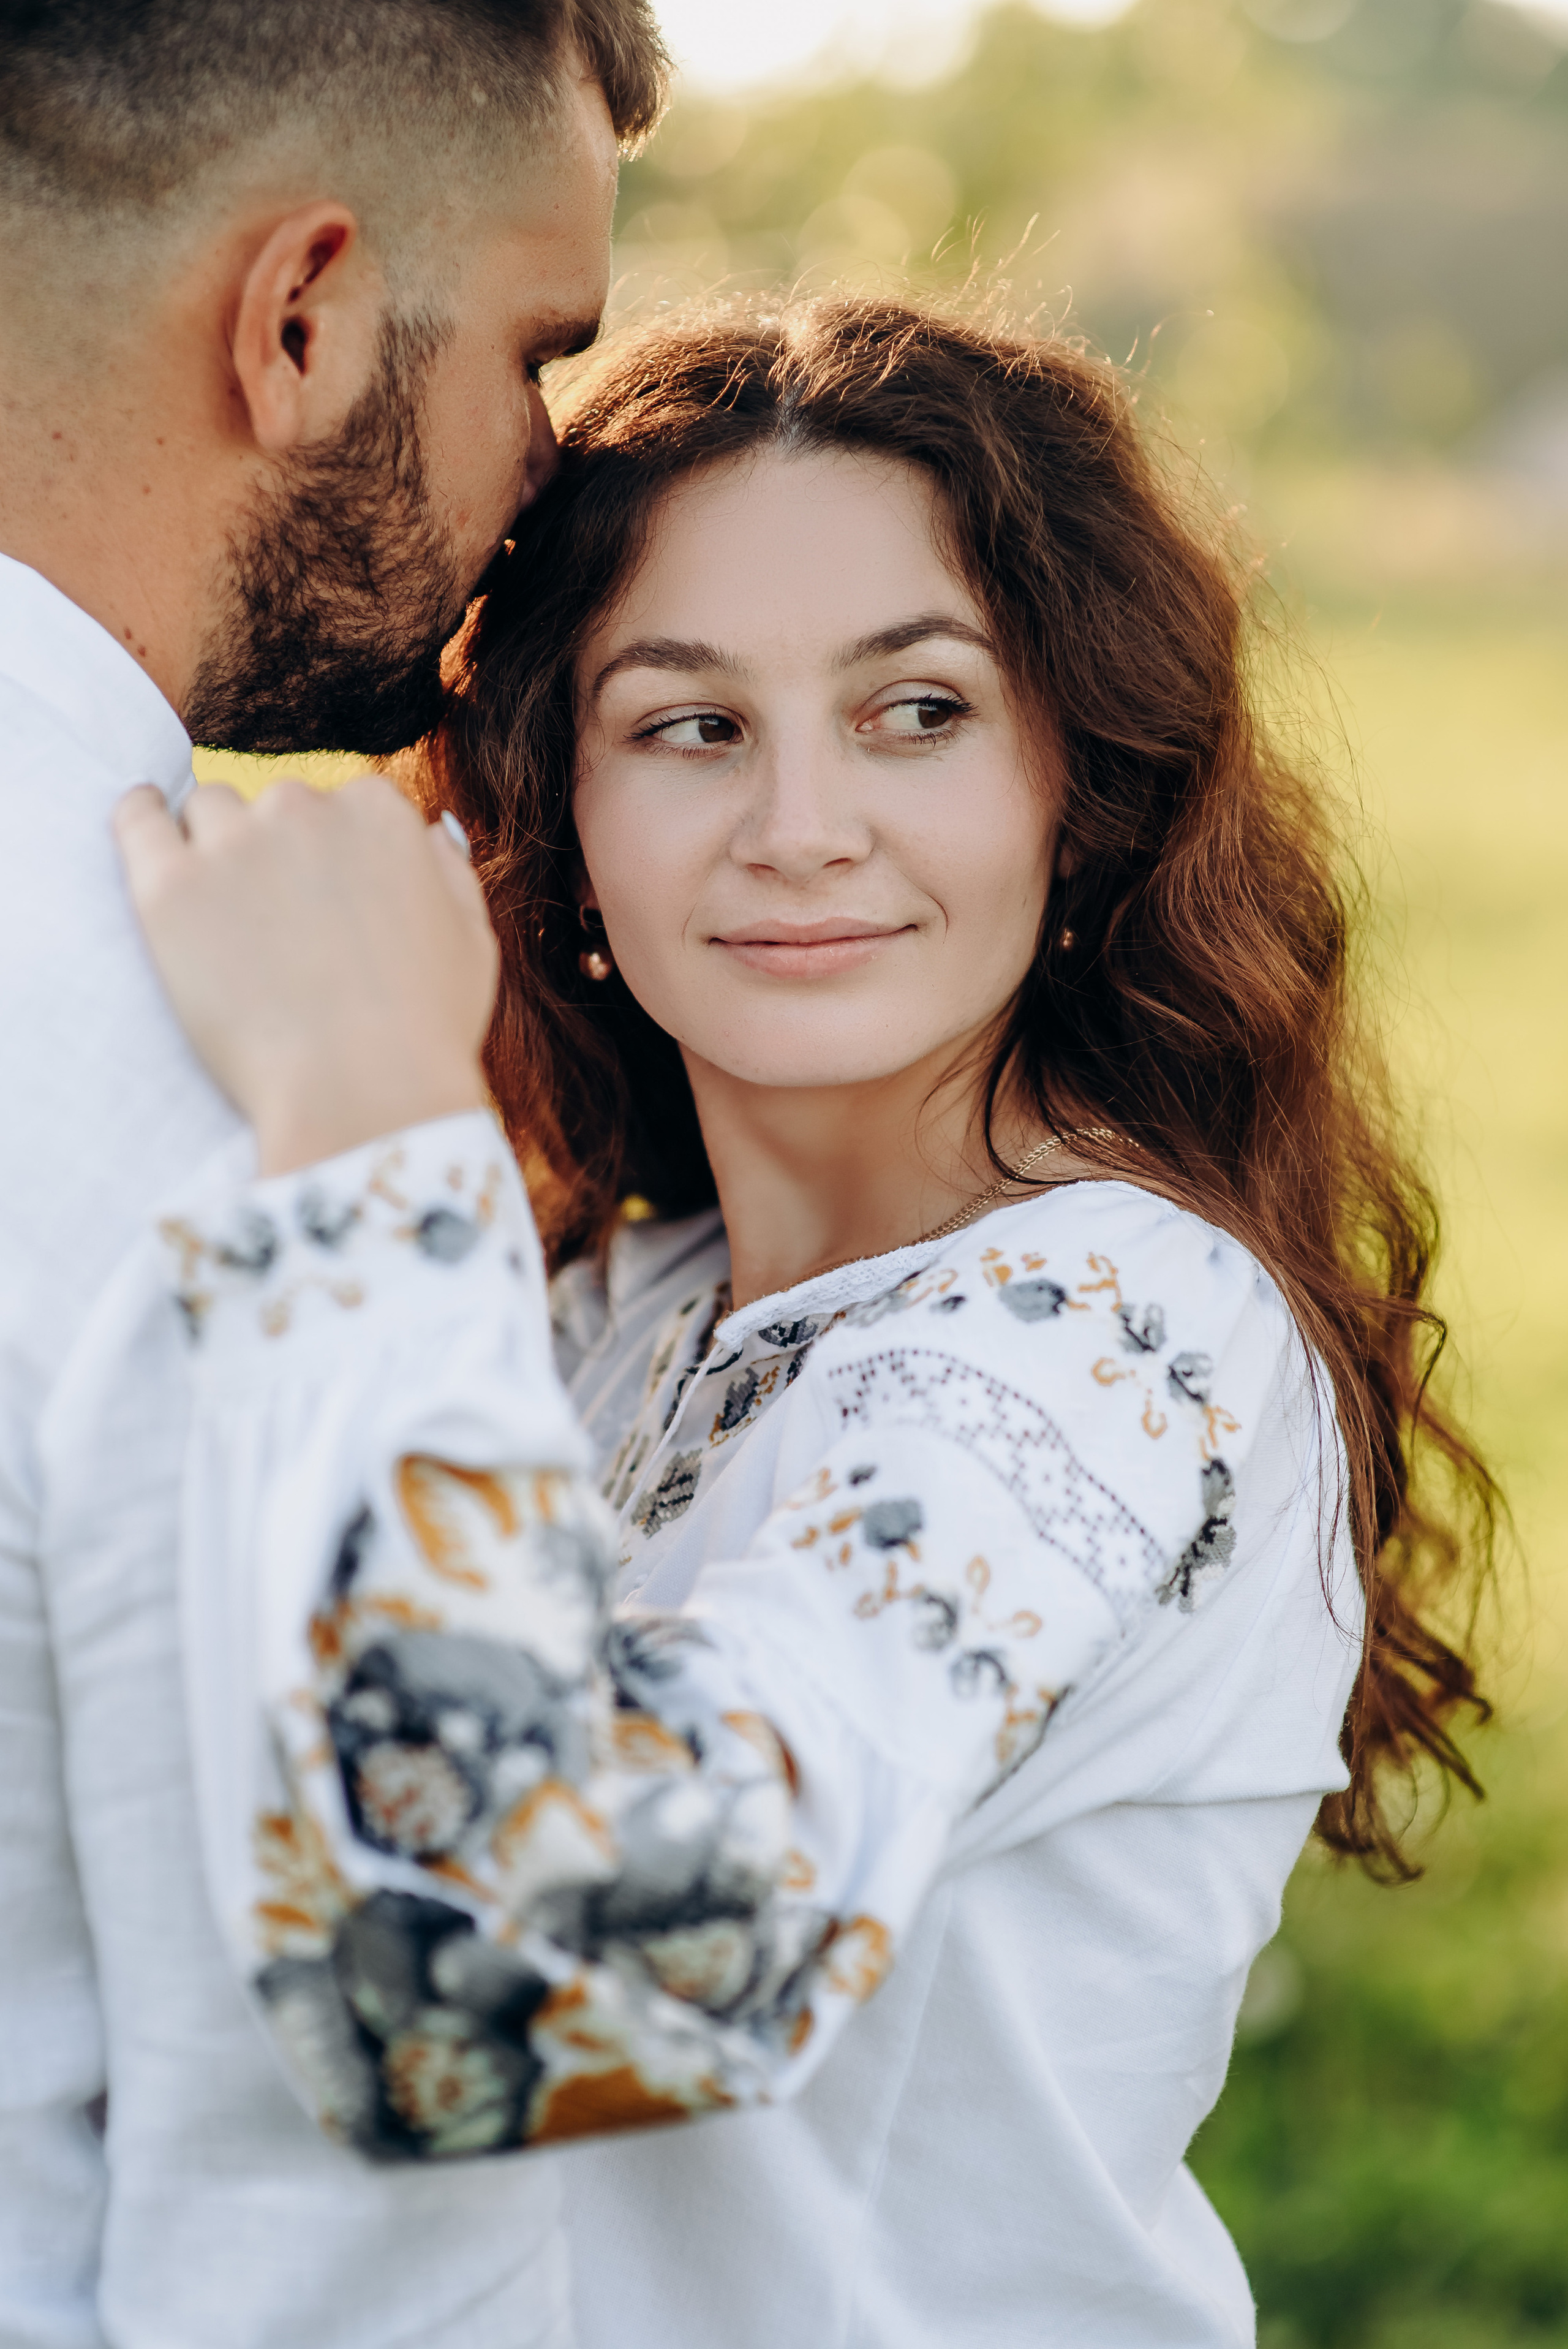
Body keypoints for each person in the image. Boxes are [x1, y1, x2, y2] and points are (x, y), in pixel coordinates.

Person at [117, 298, 1494, 2348]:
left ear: (1080, 783)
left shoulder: (1118, 1327)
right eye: (692, 725)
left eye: (916, 710)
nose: (800, 828)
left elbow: (549, 2002)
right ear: (558, 811)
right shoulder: (622, 1305)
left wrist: (363, 1119)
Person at [0, 4, 668, 2345]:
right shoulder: (267, 1092)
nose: (550, 466)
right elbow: (365, 2198)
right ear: (300, 317)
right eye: (535, 353)